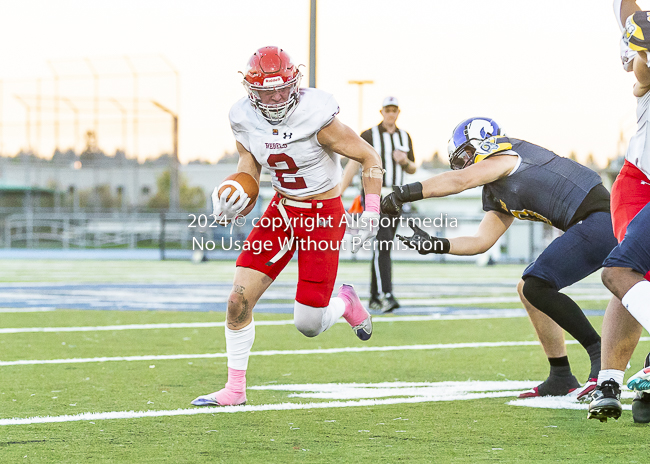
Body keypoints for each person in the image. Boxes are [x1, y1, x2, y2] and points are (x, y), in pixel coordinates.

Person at [191, 46, 383, 407]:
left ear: (295, 81)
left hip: (322, 215)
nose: (277, 97)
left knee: (309, 324)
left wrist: (371, 208)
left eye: (283, 88)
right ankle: (235, 389)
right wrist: (233, 198)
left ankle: (345, 302)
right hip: (281, 211)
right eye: (267, 90)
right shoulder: (243, 117)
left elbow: (368, 155)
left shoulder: (317, 115)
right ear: (251, 89)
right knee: (237, 301)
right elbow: (249, 166)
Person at [382, 116, 618, 399]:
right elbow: (481, 241)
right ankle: (560, 375)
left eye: (467, 155)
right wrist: (438, 244)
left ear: (484, 142)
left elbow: (459, 180)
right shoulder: (497, 188)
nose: (465, 163)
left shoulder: (508, 155)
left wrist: (402, 193)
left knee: (536, 284)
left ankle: (600, 356)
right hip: (592, 224)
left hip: (603, 219)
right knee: (528, 289)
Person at [587, 0, 650, 423]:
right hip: (641, 181)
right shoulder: (641, 42)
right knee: (627, 271)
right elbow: (641, 80)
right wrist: (643, 46)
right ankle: (609, 380)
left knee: (630, 274)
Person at [340, 97, 416, 312]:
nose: (391, 114)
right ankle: (387, 294)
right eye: (387, 110)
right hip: (374, 196)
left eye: (394, 110)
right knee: (382, 244)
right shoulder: (369, 135)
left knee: (384, 246)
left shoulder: (404, 136)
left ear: (398, 112)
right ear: (381, 112)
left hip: (396, 196)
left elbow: (412, 169)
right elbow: (354, 164)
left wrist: (404, 161)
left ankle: (374, 296)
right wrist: (340, 191)